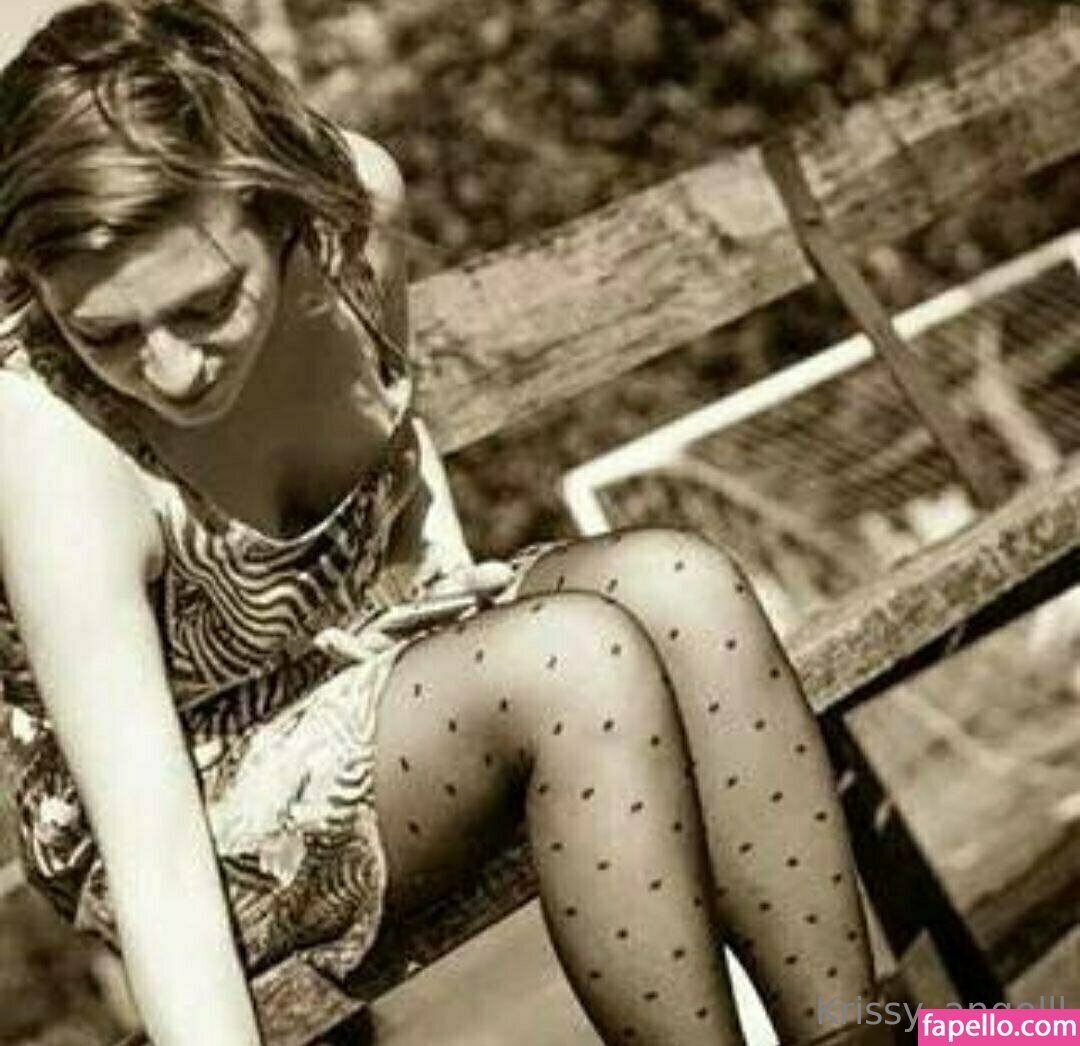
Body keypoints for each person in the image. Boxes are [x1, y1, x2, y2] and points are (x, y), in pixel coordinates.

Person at [0, 2, 895, 1043]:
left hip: (347, 670)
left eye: (206, 305)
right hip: (186, 808)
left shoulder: (353, 217)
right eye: (105, 333)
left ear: (277, 205)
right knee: (570, 662)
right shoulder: (46, 442)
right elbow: (152, 855)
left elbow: (391, 450)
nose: (167, 368)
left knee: (681, 586)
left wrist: (427, 589)